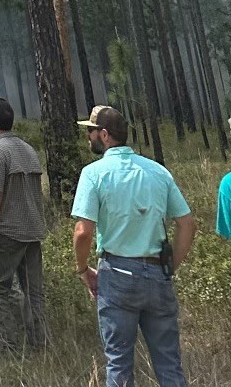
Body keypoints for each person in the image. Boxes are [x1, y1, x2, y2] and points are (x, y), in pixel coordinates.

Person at [72, 104, 195, 387]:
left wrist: (82, 270)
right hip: (157, 274)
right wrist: (169, 267)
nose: (88, 137)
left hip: (117, 275)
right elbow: (187, 224)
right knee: (169, 364)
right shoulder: (158, 172)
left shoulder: (93, 174)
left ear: (104, 135)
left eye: (90, 132)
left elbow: (83, 232)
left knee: (119, 365)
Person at [0, 96, 47, 352]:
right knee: (33, 292)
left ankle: (7, 347)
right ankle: (40, 344)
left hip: (7, 233)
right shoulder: (29, 150)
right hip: (32, 231)